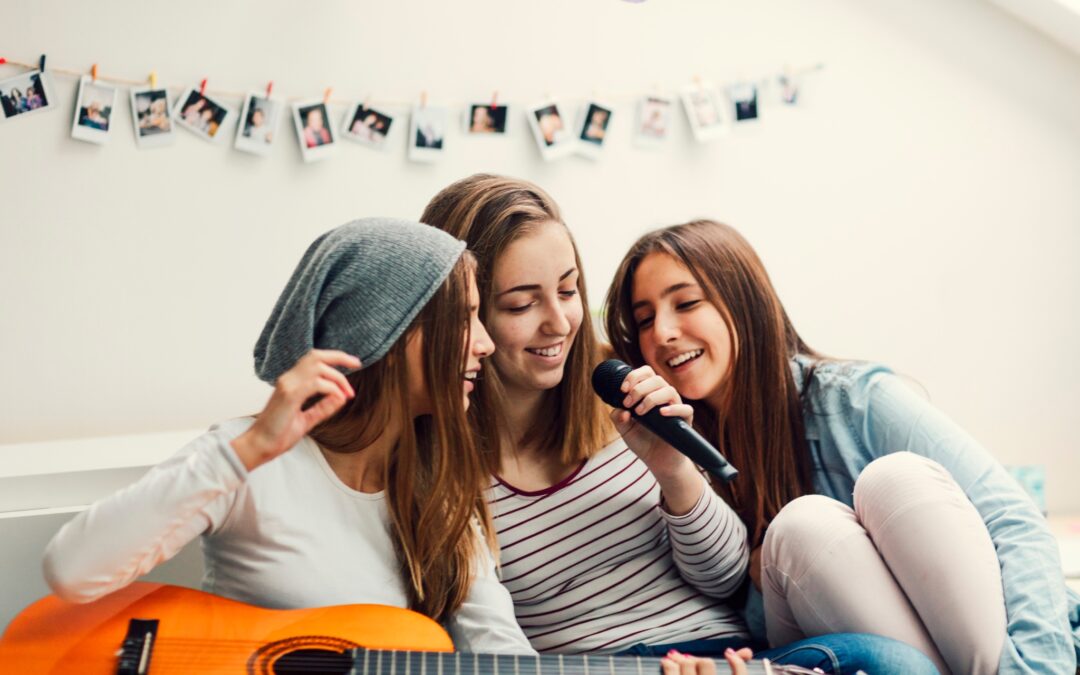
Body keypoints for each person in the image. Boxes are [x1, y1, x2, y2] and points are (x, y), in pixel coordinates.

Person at [420, 175, 937, 674]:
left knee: (891, 662)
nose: (559, 322)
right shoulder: (438, 468)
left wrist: (674, 471)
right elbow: (483, 636)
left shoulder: (621, 389)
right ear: (462, 313)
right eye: (522, 303)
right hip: (594, 668)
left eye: (569, 290)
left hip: (728, 656)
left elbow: (726, 577)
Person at [603, 219, 1080, 674]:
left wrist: (1040, 664)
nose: (662, 333)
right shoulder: (672, 448)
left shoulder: (852, 399)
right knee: (802, 527)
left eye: (685, 304)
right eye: (645, 320)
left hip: (1008, 651)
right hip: (836, 643)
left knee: (895, 479)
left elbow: (1014, 520)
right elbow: (724, 596)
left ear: (743, 303)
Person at [42, 218, 533, 653]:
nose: (486, 344)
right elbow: (72, 570)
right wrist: (248, 451)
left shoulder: (441, 481)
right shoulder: (250, 459)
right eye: (463, 318)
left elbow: (494, 636)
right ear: (387, 334)